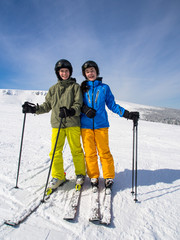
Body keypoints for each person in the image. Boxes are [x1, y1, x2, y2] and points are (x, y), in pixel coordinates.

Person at [22, 59, 86, 190]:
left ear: (70, 72)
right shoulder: (53, 89)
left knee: (76, 150)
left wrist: (70, 111)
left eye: (66, 71)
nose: (64, 73)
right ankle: (58, 176)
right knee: (55, 152)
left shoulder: (75, 87)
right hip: (57, 124)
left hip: (72, 123)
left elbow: (79, 104)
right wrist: (34, 109)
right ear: (58, 73)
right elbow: (47, 106)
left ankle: (80, 173)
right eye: (61, 71)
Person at [80, 60, 139, 190]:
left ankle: (108, 176)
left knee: (104, 152)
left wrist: (127, 114)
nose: (90, 73)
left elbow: (112, 105)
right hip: (85, 126)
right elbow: (77, 104)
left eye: (92, 71)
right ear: (85, 74)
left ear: (97, 72)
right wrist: (84, 109)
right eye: (87, 71)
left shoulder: (104, 87)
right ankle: (93, 176)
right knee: (89, 153)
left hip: (101, 125)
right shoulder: (82, 88)